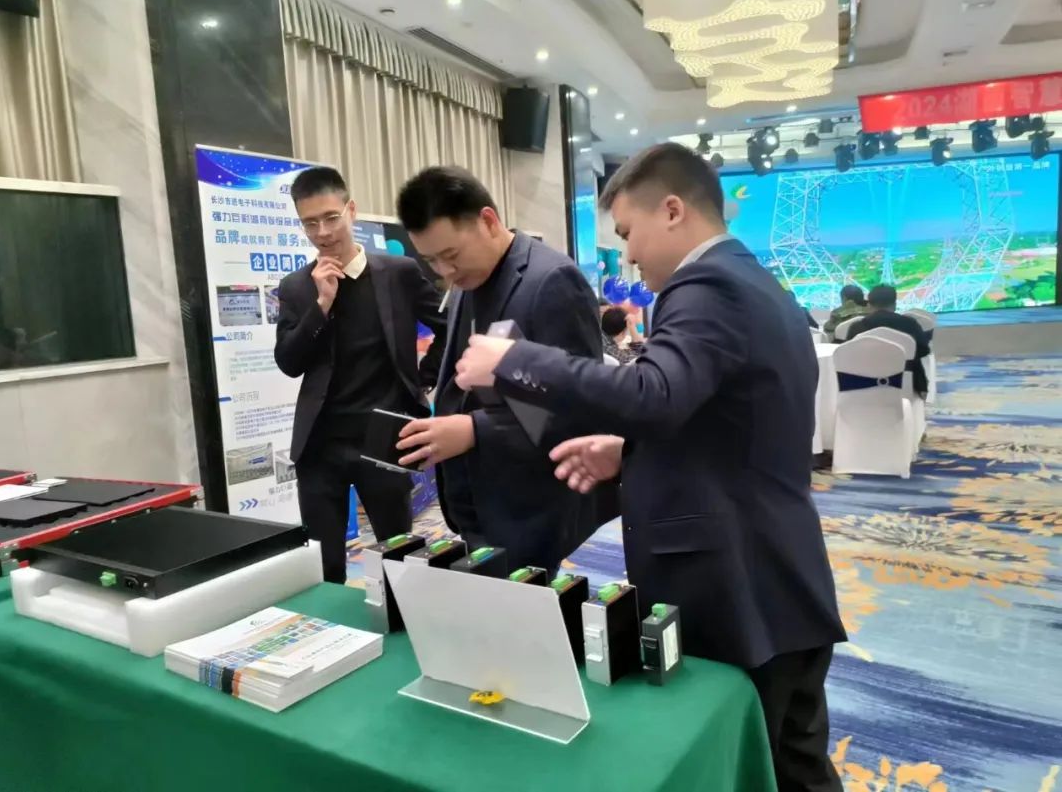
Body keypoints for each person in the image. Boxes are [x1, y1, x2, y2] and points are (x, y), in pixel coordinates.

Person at [454, 143, 846, 791]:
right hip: (777, 574)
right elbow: (727, 421)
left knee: (746, 764)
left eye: (629, 232)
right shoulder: (751, 280)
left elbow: (655, 392)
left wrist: (515, 360)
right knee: (794, 764)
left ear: (672, 210)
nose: (629, 255)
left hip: (738, 583)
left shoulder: (707, 285)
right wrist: (627, 452)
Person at [392, 166, 603, 575]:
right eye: (431, 261)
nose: (445, 272)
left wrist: (474, 431)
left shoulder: (552, 280)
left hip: (536, 511)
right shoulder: (465, 285)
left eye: (451, 255)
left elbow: (581, 408)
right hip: (476, 504)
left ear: (488, 220)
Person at [274, 166, 446, 583]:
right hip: (320, 444)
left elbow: (450, 326)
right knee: (323, 562)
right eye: (310, 223)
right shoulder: (297, 286)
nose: (323, 232)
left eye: (331, 217)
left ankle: (400, 617)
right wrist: (321, 305)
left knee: (397, 553)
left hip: (383, 437)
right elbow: (289, 362)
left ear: (351, 210)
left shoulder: (399, 273)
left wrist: (424, 377)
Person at [847, 284, 930, 396]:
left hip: (864, 385)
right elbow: (923, 350)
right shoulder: (910, 324)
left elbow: (847, 354)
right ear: (895, 304)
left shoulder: (856, 328)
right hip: (907, 385)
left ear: (869, 305)